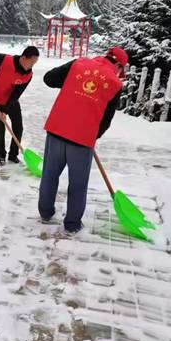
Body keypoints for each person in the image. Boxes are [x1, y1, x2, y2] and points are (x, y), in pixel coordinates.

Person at [38, 47, 128, 234]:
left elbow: (49, 79)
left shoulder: (78, 63)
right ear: (119, 65)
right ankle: (72, 224)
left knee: (49, 175)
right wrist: (93, 135)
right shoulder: (115, 83)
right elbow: (107, 119)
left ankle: (45, 213)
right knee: (78, 184)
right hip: (82, 139)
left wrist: (73, 84)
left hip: (56, 128)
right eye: (121, 70)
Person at [0, 46, 40, 165]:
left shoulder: (28, 75)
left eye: (34, 63)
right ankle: (1, 155)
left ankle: (13, 155)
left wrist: (5, 110)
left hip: (11, 101)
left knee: (18, 127)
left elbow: (16, 94)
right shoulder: (5, 60)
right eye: (31, 62)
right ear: (23, 58)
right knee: (0, 129)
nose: (32, 66)